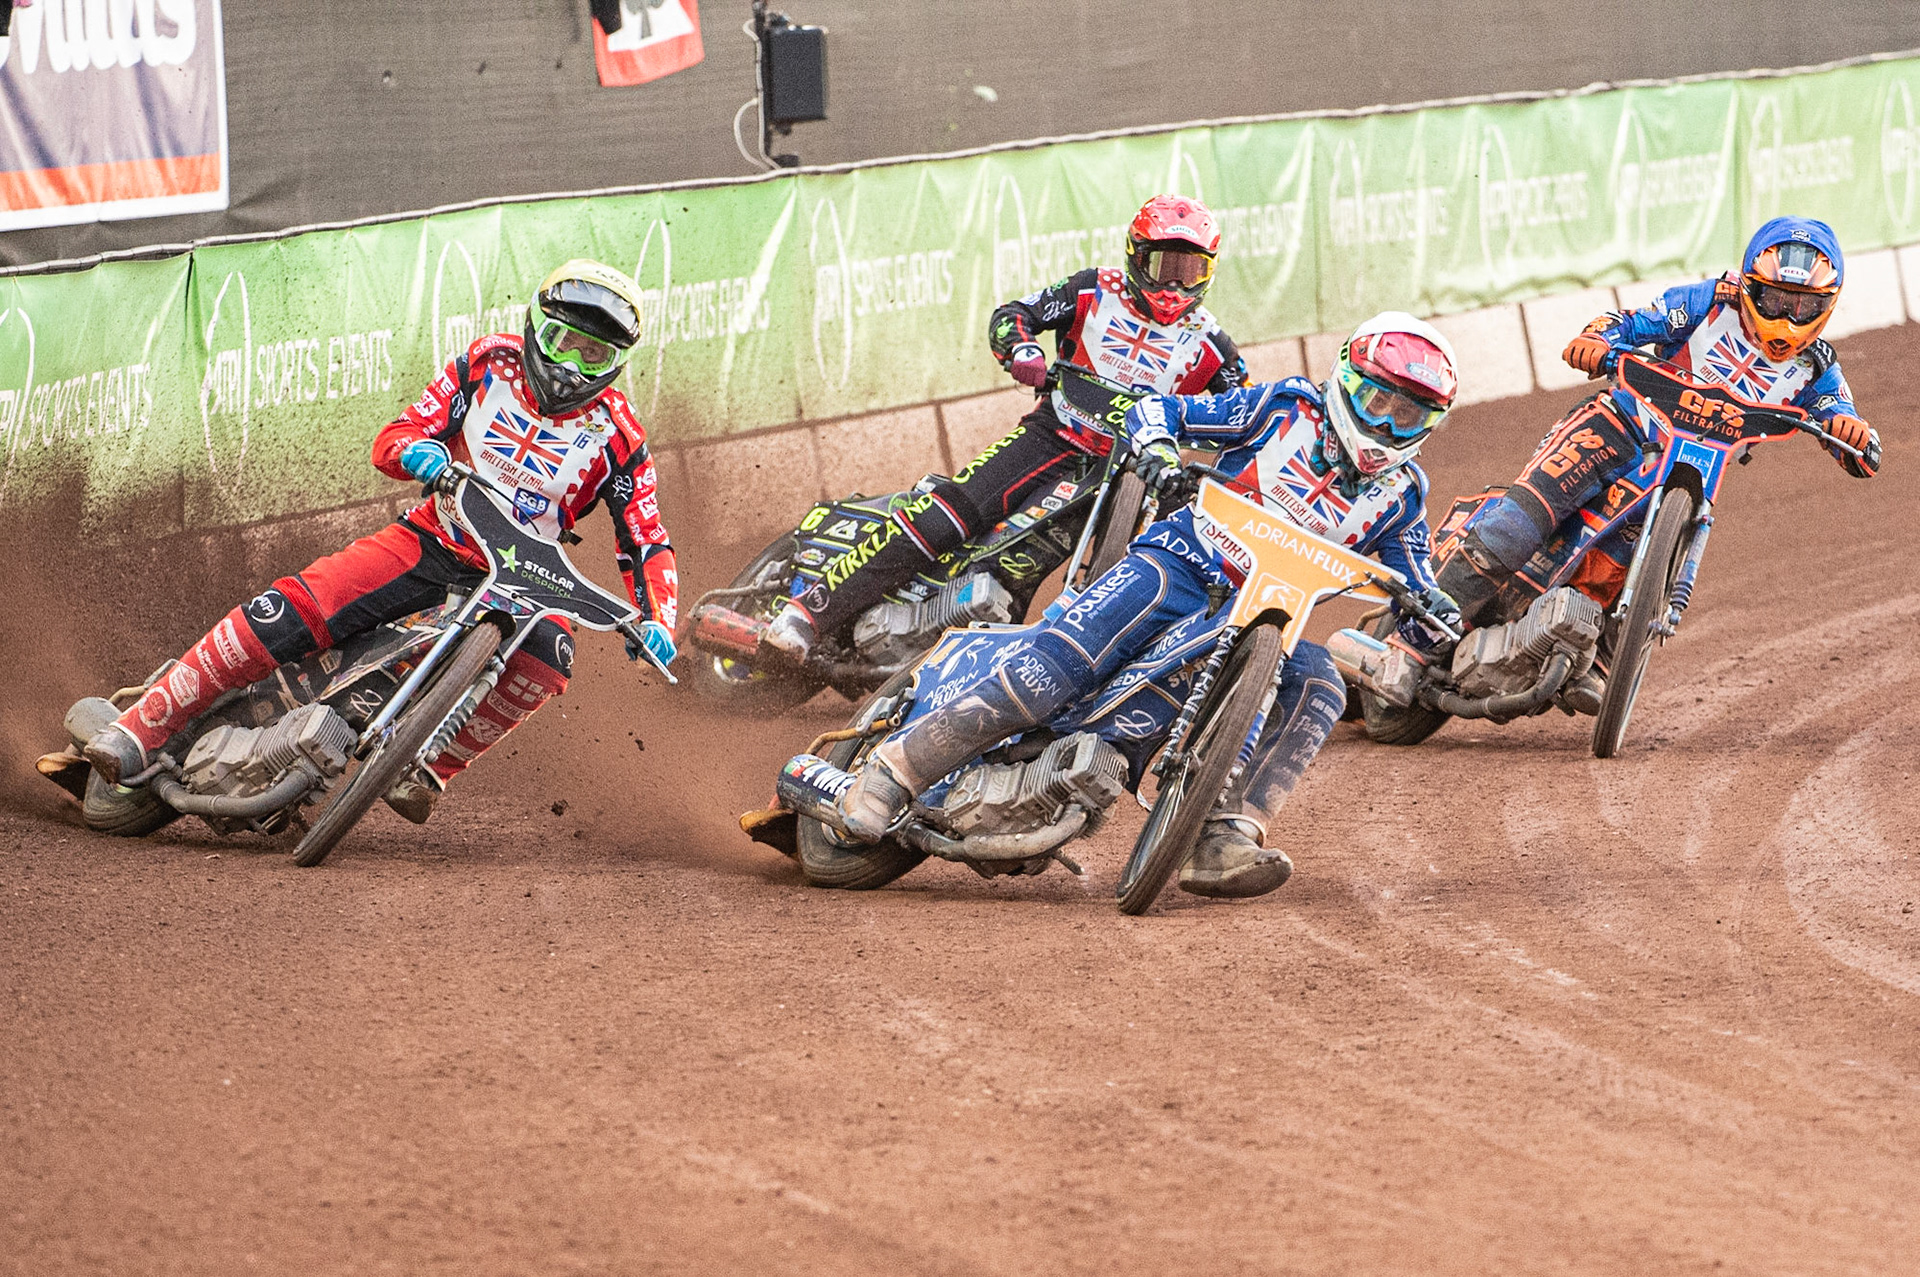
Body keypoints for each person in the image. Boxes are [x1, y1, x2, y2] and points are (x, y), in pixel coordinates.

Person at [827, 312, 1461, 899]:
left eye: (1409, 417)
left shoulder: (1403, 494)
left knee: (1320, 682)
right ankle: (895, 772)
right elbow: (1158, 411)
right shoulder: (1283, 409)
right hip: (1177, 565)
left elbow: (1415, 579)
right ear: (1346, 381)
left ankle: (1219, 836)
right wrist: (1157, 452)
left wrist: (1438, 613)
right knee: (1055, 670)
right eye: (1380, 401)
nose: (1387, 424)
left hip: (1259, 620)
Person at [84, 260, 680, 823]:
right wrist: (419, 452)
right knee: (288, 610)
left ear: (616, 364)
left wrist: (658, 620)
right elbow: (397, 435)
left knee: (552, 655)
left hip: (525, 582)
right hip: (436, 538)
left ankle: (430, 766)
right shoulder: (485, 364)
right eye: (561, 342)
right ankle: (143, 725)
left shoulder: (620, 436)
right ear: (533, 328)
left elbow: (647, 540)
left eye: (594, 353)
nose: (571, 365)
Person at [759, 193, 1251, 665]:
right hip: (1052, 436)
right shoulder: (1092, 289)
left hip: (1130, 473)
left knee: (1069, 578)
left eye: (1192, 271)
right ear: (1136, 256)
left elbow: (1250, 411)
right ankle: (806, 614)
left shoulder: (1210, 341)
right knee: (946, 516)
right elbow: (1013, 315)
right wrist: (1024, 351)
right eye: (1166, 267)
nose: (1174, 287)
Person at [1438, 216, 1880, 707]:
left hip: (1691, 470)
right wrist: (1598, 339)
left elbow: (1848, 428)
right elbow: (1633, 322)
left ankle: (1600, 657)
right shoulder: (1710, 302)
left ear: (1828, 305)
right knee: (1521, 525)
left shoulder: (1817, 368)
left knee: (1611, 569)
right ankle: (1421, 630)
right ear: (1751, 287)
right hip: (1622, 424)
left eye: (1805, 307)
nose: (1788, 317)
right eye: (1776, 301)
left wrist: (1851, 434)